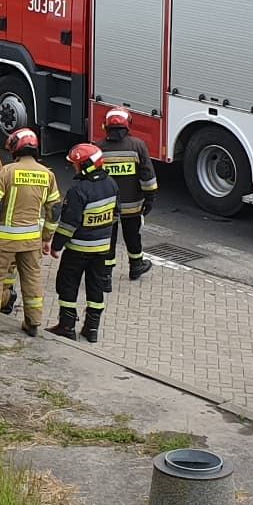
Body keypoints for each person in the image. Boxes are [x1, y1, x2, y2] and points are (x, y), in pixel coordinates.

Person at [0, 128, 54, 338]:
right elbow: (54, 211)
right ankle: (32, 323)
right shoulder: (48, 175)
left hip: (5, 240)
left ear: (15, 147)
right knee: (32, 279)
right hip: (32, 241)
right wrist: (46, 238)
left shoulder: (7, 172)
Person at [47, 143, 119, 342]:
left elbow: (69, 223)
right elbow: (115, 215)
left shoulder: (78, 190)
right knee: (95, 287)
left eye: (76, 164)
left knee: (67, 284)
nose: (73, 167)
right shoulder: (112, 184)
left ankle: (67, 326)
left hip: (78, 250)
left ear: (85, 165)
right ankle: (91, 329)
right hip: (102, 249)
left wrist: (56, 246)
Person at [97, 108, 160, 280]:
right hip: (133, 206)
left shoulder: (98, 148)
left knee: (108, 240)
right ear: (127, 125)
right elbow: (147, 176)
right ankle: (136, 267)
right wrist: (150, 199)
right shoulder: (137, 145)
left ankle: (105, 274)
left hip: (107, 208)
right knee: (133, 236)